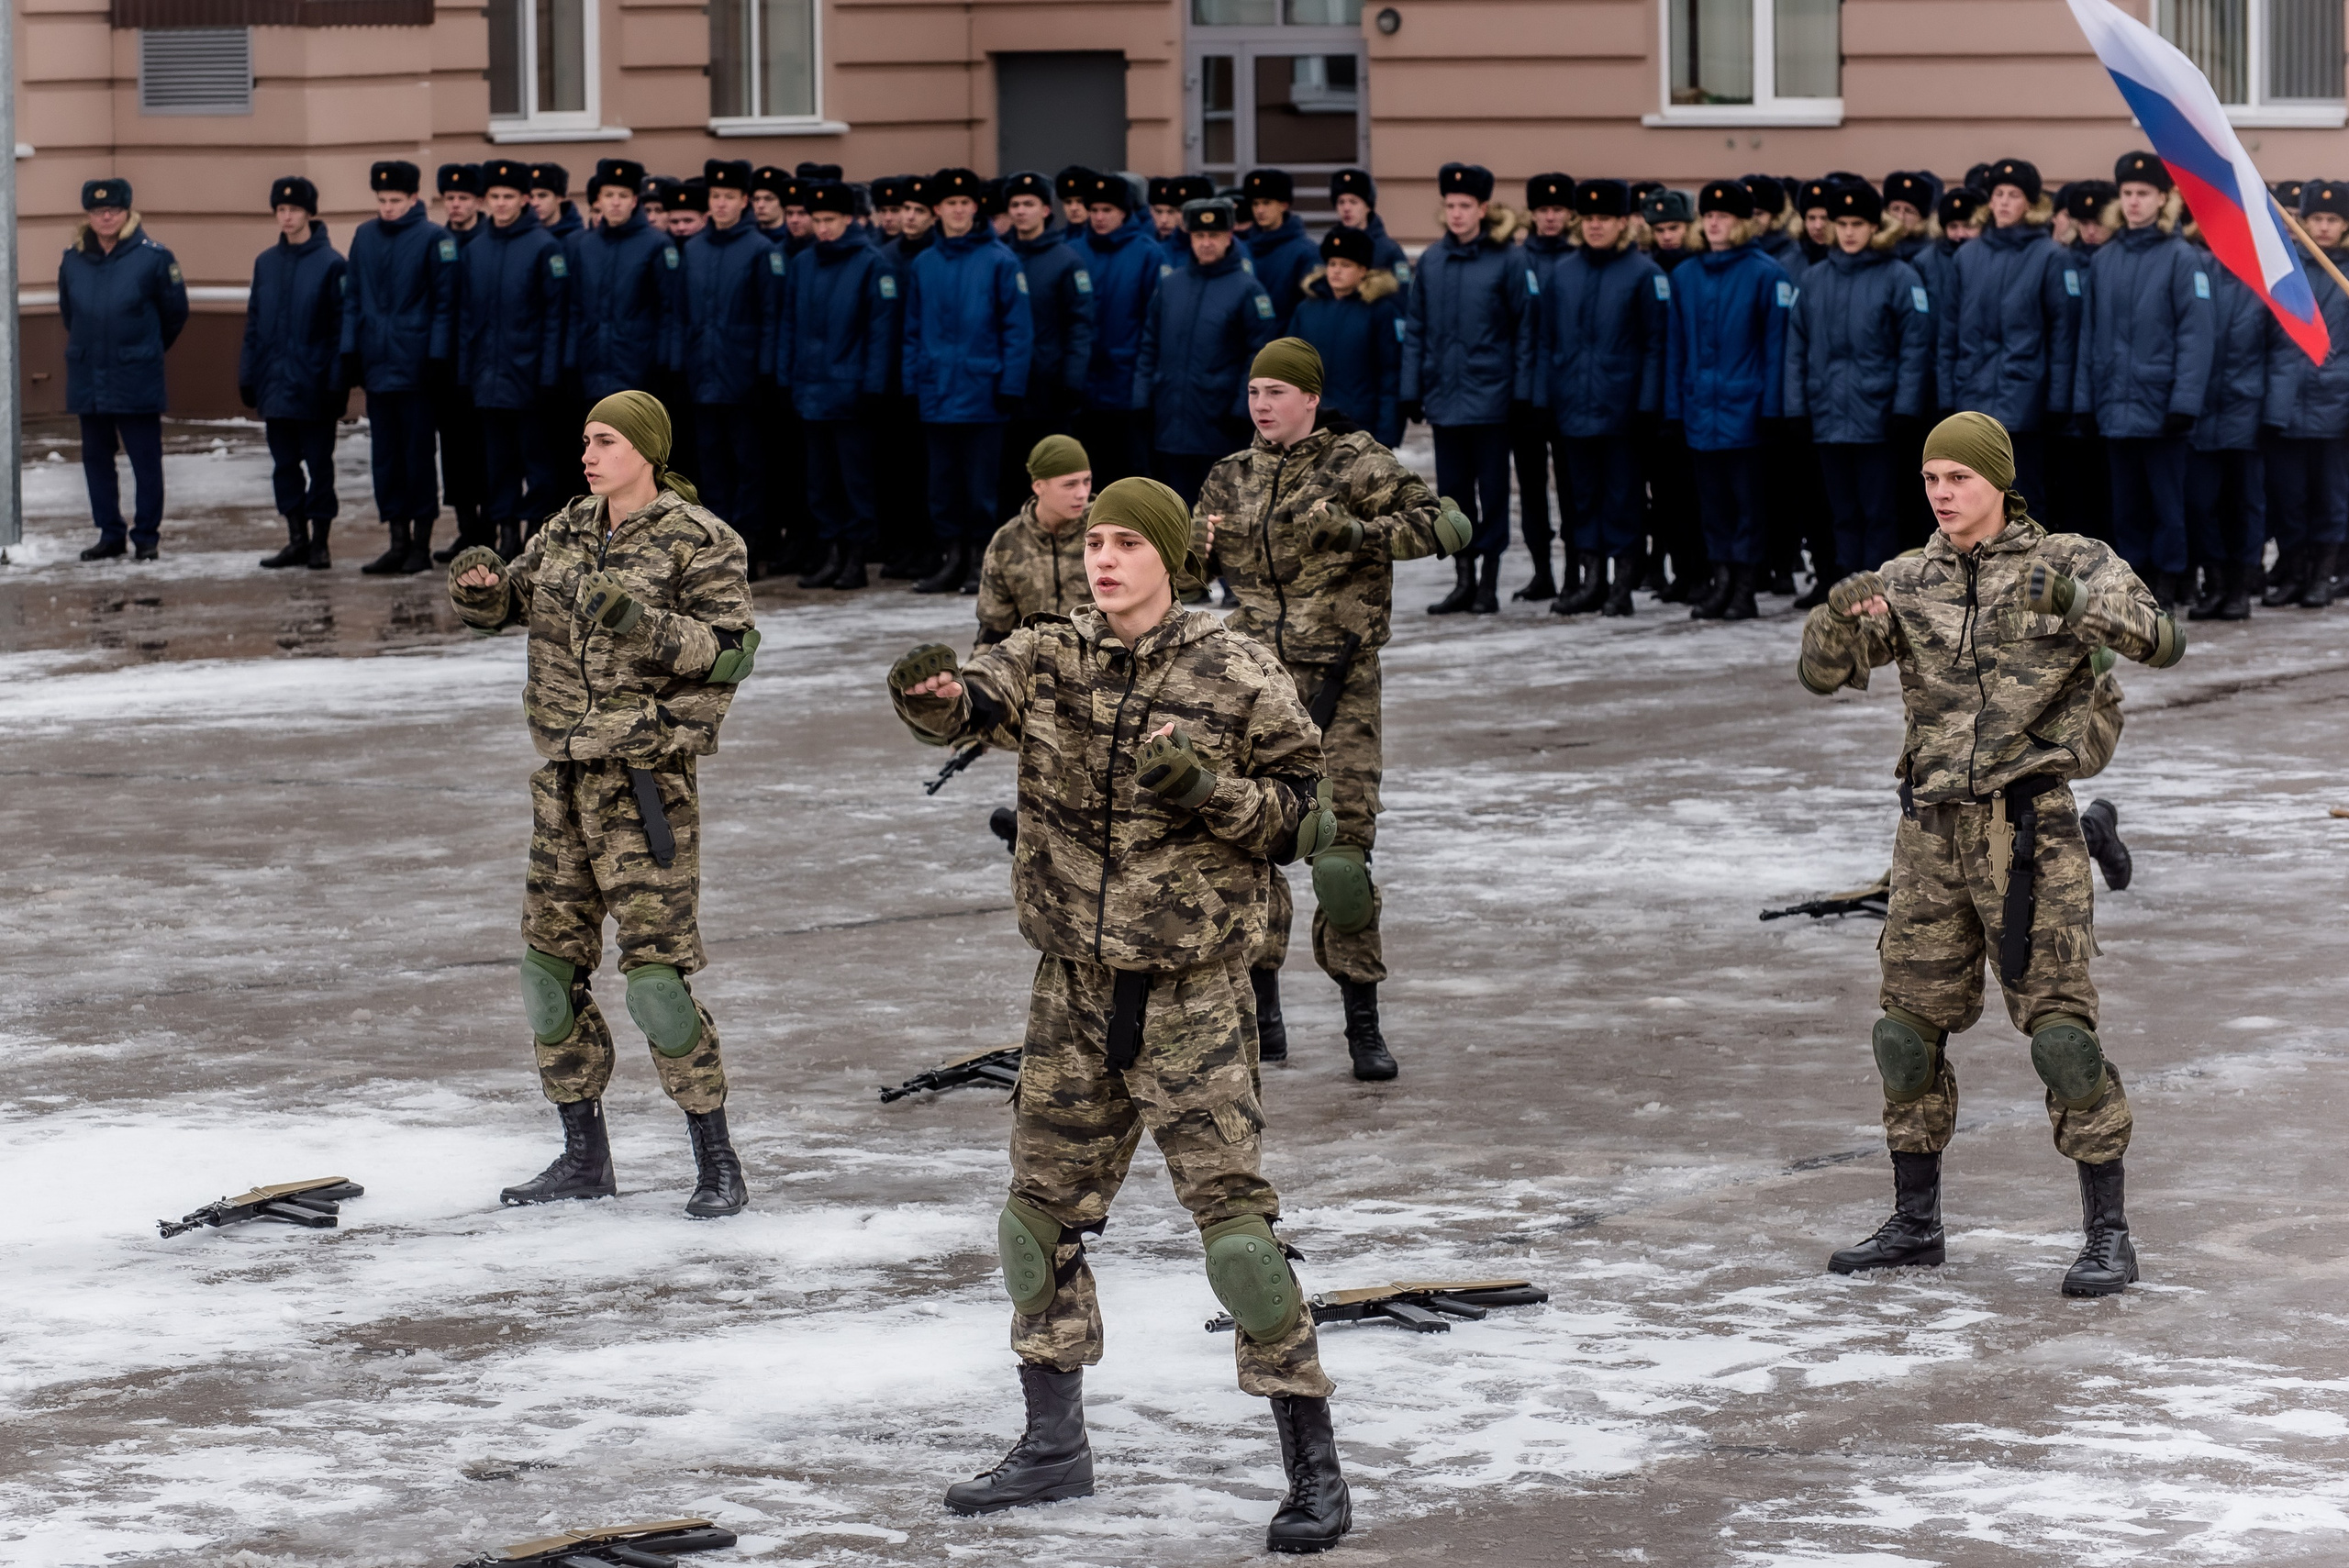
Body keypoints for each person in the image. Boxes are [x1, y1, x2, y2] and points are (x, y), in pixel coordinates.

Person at [885, 476, 1354, 1554]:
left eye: (1124, 543)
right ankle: (1053, 1445)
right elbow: (979, 694)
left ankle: (1313, 1467)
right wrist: (938, 699)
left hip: (1190, 995)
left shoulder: (1236, 666)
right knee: (1037, 1223)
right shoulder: (1053, 653)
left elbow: (1302, 818)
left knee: (1238, 1237)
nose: (1102, 558)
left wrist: (1210, 790)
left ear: (1172, 556)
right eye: (1093, 541)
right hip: (1073, 992)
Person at [1798, 411, 2181, 1297]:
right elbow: (1823, 675)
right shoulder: (1907, 577)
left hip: (2031, 827)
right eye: (1931, 477)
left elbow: (2165, 640)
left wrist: (2077, 607)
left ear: (1998, 484)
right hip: (1931, 830)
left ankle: (2109, 1233)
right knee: (1905, 1033)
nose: (1941, 492)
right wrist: (1833, 621)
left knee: (2060, 1038)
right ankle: (1916, 1222)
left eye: (1958, 478)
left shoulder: (2070, 558)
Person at [446, 390, 759, 1219]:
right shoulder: (567, 527)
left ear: (646, 451)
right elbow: (511, 601)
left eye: (606, 439)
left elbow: (728, 655)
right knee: (546, 974)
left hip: (644, 786)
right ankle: (584, 1154)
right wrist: (480, 586)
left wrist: (635, 619)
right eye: (584, 439)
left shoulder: (703, 541)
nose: (588, 453)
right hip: (563, 778)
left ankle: (717, 1159)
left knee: (657, 982)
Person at [1196, 338, 1470, 1079]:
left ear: (1310, 398)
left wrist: (1359, 533)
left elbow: (1445, 526)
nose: (1262, 405)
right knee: (1250, 850)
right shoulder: (1228, 478)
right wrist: (1189, 548)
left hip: (1340, 683)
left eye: (1277, 392)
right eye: (1254, 392)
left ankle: (1363, 1023)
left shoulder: (1356, 461)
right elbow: (1189, 573)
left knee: (1342, 860)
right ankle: (1264, 1014)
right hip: (1255, 689)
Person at [2072, 153, 2215, 608]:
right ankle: (2130, 583)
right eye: (2128, 194)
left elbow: (2196, 336)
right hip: (2115, 405)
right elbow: (2089, 335)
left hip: (2162, 408)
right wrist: (2084, 402)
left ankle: (2171, 580)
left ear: (2163, 198)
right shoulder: (2105, 258)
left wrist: (2184, 402)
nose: (2134, 203)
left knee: (2168, 504)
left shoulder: (2182, 259)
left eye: (2143, 194)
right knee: (2126, 505)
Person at [1402, 162, 1534, 616]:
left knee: (1494, 492)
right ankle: (1463, 579)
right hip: (1445, 399)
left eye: (1466, 206)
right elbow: (1416, 328)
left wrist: (1521, 392)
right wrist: (1411, 387)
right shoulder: (1434, 260)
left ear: (1483, 208)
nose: (1457, 214)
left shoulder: (1509, 259)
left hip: (1493, 400)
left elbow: (1524, 330)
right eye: (1451, 206)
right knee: (1452, 496)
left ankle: (1489, 583)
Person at [1785, 182, 1932, 579]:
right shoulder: (1814, 280)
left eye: (1859, 223)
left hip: (1878, 417)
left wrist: (1905, 407)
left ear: (1875, 227)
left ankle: (1881, 590)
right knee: (1841, 512)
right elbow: (1796, 348)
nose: (1849, 232)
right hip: (1827, 415)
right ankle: (1846, 587)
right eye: (1842, 223)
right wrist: (1796, 408)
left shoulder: (1900, 277)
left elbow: (1914, 348)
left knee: (1879, 512)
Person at [1538, 179, 1669, 617]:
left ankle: (1622, 585)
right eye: (1589, 219)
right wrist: (1543, 399)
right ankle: (1591, 580)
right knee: (1582, 499)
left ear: (1623, 223)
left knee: (1623, 498)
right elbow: (1547, 341)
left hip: (1623, 410)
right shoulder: (1562, 273)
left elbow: (1655, 345)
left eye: (1605, 219)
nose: (1595, 227)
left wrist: (1648, 404)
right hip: (1573, 407)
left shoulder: (1644, 274)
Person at [903, 166, 1035, 595]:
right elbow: (912, 329)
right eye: (949, 204)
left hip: (984, 391)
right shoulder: (924, 263)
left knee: (981, 488)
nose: (957, 211)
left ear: (975, 207)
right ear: (937, 210)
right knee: (942, 486)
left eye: (965, 203)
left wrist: (1010, 384)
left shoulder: (1000, 260)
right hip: (937, 391)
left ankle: (982, 560)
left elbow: (1018, 329)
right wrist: (912, 383)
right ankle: (951, 558)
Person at [1664, 178, 1792, 620]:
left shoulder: (1766, 274)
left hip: (1747, 411)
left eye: (1723, 216)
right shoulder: (1685, 276)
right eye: (1708, 216)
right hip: (1701, 408)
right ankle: (1721, 582)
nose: (1714, 223)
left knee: (1747, 506)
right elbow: (1675, 348)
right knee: (1713, 504)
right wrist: (1672, 407)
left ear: (1741, 223)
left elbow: (1777, 349)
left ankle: (1745, 588)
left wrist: (1774, 409)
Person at [1937, 158, 2079, 517]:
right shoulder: (1967, 256)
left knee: (2025, 496)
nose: (2002, 202)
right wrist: (1946, 395)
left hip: (2026, 402)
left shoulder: (2051, 257)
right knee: (1971, 499)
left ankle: (2030, 573)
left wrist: (2058, 401)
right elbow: (1949, 332)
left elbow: (2063, 336)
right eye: (1998, 193)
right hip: (1973, 398)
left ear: (2030, 204)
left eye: (2013, 195)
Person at [60, 176, 188, 563]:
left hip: (136, 377)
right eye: (99, 211)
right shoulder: (73, 258)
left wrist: (145, 349)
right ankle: (109, 532)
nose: (106, 217)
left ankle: (146, 535)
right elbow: (70, 313)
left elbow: (175, 313)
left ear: (128, 212)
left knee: (144, 461)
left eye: (113, 210)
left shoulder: (153, 258)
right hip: (89, 377)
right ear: (88, 215)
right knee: (97, 460)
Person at [343, 160, 456, 576]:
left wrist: (437, 356)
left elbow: (445, 304)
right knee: (385, 457)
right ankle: (396, 540)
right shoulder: (365, 236)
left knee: (417, 456)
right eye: (382, 200)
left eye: (396, 200)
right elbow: (352, 297)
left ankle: (420, 544)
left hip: (417, 367)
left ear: (413, 199)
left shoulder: (434, 239)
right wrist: (350, 352)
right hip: (378, 364)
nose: (388, 207)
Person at [780, 180, 894, 590]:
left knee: (854, 481)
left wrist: (872, 386)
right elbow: (790, 324)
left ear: (848, 218)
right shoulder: (803, 263)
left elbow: (880, 332)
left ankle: (856, 557)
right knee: (820, 480)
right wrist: (786, 375)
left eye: (830, 220)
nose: (823, 227)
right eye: (818, 220)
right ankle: (831, 552)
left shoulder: (870, 263)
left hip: (851, 392)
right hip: (811, 389)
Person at [2184, 203, 2292, 621]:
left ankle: (2239, 587)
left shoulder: (2266, 283)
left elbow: (2283, 354)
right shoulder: (2195, 275)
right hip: (2201, 413)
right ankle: (2213, 582)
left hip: (2248, 414)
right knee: (2202, 504)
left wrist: (2274, 414)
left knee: (2245, 505)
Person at [236, 175, 349, 573]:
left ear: (309, 213)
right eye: (281, 210)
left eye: (294, 210)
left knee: (319, 466)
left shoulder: (332, 264)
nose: (287, 217)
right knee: (284, 466)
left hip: (314, 385)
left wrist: (338, 381)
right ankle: (295, 537)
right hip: (275, 384)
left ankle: (320, 541)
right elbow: (254, 324)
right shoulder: (266, 263)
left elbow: (340, 329)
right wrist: (248, 375)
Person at [459, 158, 570, 559]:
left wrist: (548, 373)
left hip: (529, 379)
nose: (502, 204)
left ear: (525, 199)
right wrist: (465, 371)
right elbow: (466, 317)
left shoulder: (545, 247)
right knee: (497, 464)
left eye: (509, 196)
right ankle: (505, 533)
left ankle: (535, 538)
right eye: (495, 197)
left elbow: (556, 318)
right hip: (488, 380)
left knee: (537, 465)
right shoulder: (475, 250)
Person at [1133, 198, 1278, 505]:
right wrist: (1142, 397)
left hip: (1220, 427)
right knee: (1173, 515)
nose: (1207, 243)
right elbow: (1150, 344)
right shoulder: (1171, 286)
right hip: (1170, 427)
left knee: (1220, 516)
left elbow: (1259, 356)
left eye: (1214, 235)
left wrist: (1243, 409)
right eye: (1199, 236)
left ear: (1229, 237)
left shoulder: (1248, 290)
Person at [679, 159, 782, 565]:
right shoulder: (693, 249)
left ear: (745, 201)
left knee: (748, 462)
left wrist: (765, 370)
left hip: (743, 377)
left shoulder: (761, 250)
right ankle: (716, 538)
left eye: (729, 197)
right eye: (715, 196)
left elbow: (772, 315)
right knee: (711, 461)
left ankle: (751, 539)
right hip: (703, 375)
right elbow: (682, 312)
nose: (721, 204)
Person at [2263, 181, 2349, 608]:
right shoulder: (2286, 272)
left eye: (2333, 220)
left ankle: (2322, 575)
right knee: (2289, 497)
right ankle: (2294, 573)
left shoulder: (2345, 273)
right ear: (2302, 222)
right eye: (2317, 219)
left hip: (2335, 406)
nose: (2325, 227)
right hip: (2288, 402)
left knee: (2330, 497)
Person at [998, 170, 1097, 523]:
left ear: (1045, 209)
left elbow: (1080, 325)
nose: (1021, 211)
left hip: (1051, 387)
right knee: (1012, 474)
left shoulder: (1065, 260)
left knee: (1054, 475)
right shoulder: (1002, 257)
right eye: (1015, 205)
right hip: (1009, 387)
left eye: (1029, 203)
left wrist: (1071, 380)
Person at [1074, 172, 1163, 490]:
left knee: (1131, 473)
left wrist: (1143, 382)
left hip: (1127, 385)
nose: (1099, 217)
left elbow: (1154, 324)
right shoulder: (1074, 251)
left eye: (1107, 210)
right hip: (1085, 388)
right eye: (1093, 210)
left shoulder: (1148, 253)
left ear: (1124, 212)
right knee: (1089, 474)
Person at [1641, 185, 1708, 601]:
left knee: (1694, 498)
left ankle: (1700, 574)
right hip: (1655, 401)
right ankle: (1677, 573)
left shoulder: (1697, 270)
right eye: (1660, 228)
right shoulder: (1646, 269)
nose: (1667, 235)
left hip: (1691, 399)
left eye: (1674, 227)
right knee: (1664, 498)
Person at [568, 158, 678, 406]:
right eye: (609, 195)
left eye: (623, 195)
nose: (615, 202)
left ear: (634, 201)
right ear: (599, 200)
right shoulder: (584, 246)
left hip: (638, 366)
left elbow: (669, 309)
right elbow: (575, 307)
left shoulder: (657, 245)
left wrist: (662, 361)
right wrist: (571, 359)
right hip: (592, 366)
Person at [1513, 172, 1575, 603]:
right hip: (1524, 396)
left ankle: (1576, 572)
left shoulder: (1579, 259)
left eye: (1557, 210)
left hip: (1569, 394)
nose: (1550, 217)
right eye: (1542, 210)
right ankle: (1542, 572)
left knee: (1572, 489)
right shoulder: (1517, 260)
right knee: (1532, 488)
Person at [1286, 228, 1402, 448]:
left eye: (1346, 265)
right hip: (1311, 425)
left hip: (1360, 426)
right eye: (1332, 264)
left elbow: (1390, 375)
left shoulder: (1380, 311)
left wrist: (1386, 435)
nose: (1336, 271)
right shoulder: (1306, 309)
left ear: (1363, 270)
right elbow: (1290, 367)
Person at [976, 434, 1094, 643]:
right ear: (1039, 486)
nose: (1082, 493)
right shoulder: (1008, 542)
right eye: (1070, 485)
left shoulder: (1105, 531)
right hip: (1036, 664)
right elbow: (993, 631)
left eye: (1087, 481)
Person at [429, 163, 491, 562]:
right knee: (453, 451)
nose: (455, 205)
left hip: (486, 363)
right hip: (448, 362)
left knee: (486, 451)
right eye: (450, 199)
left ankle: (491, 528)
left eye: (463, 199)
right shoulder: (438, 241)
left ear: (478, 202)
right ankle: (466, 529)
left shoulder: (489, 240)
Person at [1241, 167, 1317, 332]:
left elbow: (1309, 311)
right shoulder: (1242, 248)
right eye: (1255, 203)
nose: (1260, 210)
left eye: (1267, 203)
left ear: (1283, 205)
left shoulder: (1305, 252)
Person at [1327, 168, 1410, 284]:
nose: (1346, 208)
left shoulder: (1390, 251)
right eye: (1341, 202)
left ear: (1368, 207)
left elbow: (1403, 289)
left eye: (1353, 202)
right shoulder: (1330, 247)